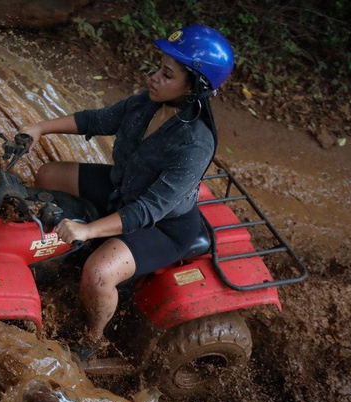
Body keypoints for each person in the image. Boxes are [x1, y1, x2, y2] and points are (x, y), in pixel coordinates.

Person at [19, 25, 234, 351]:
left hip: (162, 226)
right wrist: (39, 128)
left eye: (166, 74)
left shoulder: (194, 144)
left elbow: (149, 209)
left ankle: (92, 339)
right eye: (157, 68)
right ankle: (66, 251)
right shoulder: (148, 103)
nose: (153, 77)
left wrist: (88, 230)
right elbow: (97, 120)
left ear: (193, 88)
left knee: (98, 273)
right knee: (48, 174)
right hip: (123, 187)